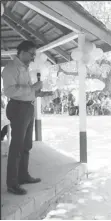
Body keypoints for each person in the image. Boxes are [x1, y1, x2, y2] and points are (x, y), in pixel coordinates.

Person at [1, 41, 52, 195]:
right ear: (22, 52)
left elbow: (26, 92)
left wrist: (39, 93)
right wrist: (32, 88)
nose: (33, 58)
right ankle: (12, 183)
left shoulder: (24, 68)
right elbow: (9, 91)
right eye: (32, 54)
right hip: (18, 108)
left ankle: (23, 176)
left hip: (28, 107)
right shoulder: (10, 68)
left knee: (26, 145)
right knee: (16, 147)